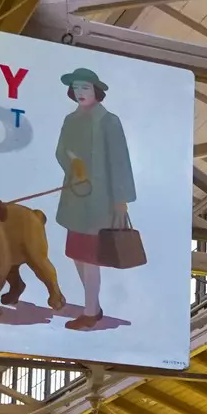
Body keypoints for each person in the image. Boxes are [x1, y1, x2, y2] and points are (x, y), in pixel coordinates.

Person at [53, 67, 136, 330]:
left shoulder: (109, 121)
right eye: (77, 88)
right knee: (77, 253)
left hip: (101, 198)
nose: (80, 93)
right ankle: (94, 305)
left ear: (96, 91)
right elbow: (60, 151)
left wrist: (120, 198)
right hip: (76, 195)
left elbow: (120, 159)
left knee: (90, 255)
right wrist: (73, 163)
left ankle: (91, 312)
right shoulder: (70, 120)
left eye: (85, 88)